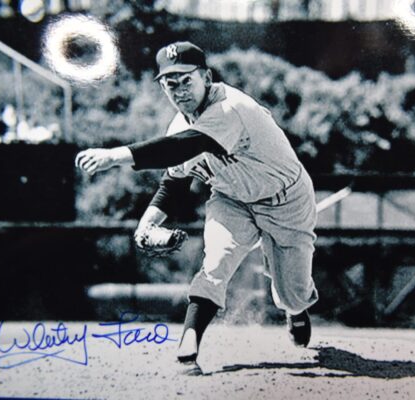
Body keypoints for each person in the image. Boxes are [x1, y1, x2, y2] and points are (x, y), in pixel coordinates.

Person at [75, 41, 319, 372]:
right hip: (233, 200)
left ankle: (295, 308)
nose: (178, 90)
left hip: (286, 200)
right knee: (215, 263)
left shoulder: (230, 108)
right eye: (169, 83)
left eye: (185, 80)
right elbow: (173, 183)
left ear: (205, 76)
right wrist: (146, 224)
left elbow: (183, 147)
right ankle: (189, 344)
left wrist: (115, 155)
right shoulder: (179, 124)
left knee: (294, 293)